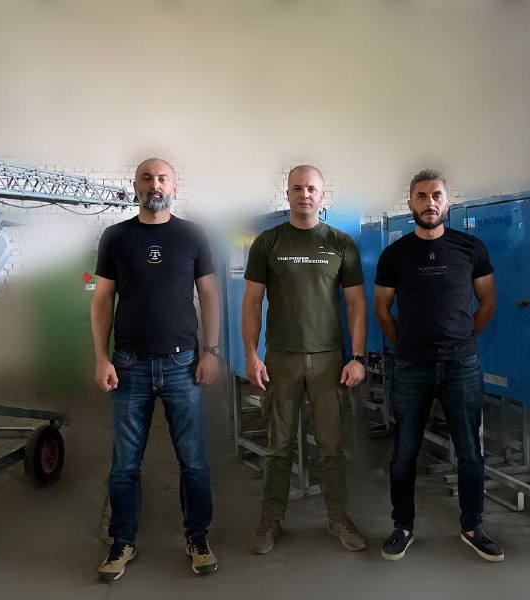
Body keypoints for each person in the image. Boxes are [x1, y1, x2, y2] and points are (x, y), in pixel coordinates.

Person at [91, 158, 221, 581]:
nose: (155, 184)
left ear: (174, 186)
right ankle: (122, 540)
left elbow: (209, 294)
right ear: (135, 186)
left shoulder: (192, 235)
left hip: (184, 364)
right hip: (129, 366)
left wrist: (211, 351)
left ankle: (198, 537)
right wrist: (101, 357)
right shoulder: (116, 237)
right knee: (125, 464)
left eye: (162, 178)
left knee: (193, 461)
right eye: (146, 178)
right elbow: (102, 299)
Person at [374, 168, 503, 562]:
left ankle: (473, 526)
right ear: (410, 203)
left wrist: (463, 338)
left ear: (448, 202)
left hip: (461, 365)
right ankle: (402, 527)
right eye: (421, 196)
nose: (429, 202)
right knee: (404, 453)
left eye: (436, 196)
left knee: (470, 452)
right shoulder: (394, 254)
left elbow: (488, 302)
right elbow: (382, 309)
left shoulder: (471, 247)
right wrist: (405, 342)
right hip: (411, 366)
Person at [243, 164, 368, 554]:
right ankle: (271, 519)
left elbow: (356, 305)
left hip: (329, 360)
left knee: (331, 447)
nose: (304, 195)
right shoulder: (267, 242)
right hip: (281, 359)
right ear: (288, 194)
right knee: (278, 447)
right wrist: (251, 355)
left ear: (321, 194)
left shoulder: (341, 243)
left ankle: (338, 518)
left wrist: (358, 357)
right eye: (297, 188)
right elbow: (251, 302)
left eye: (311, 188)